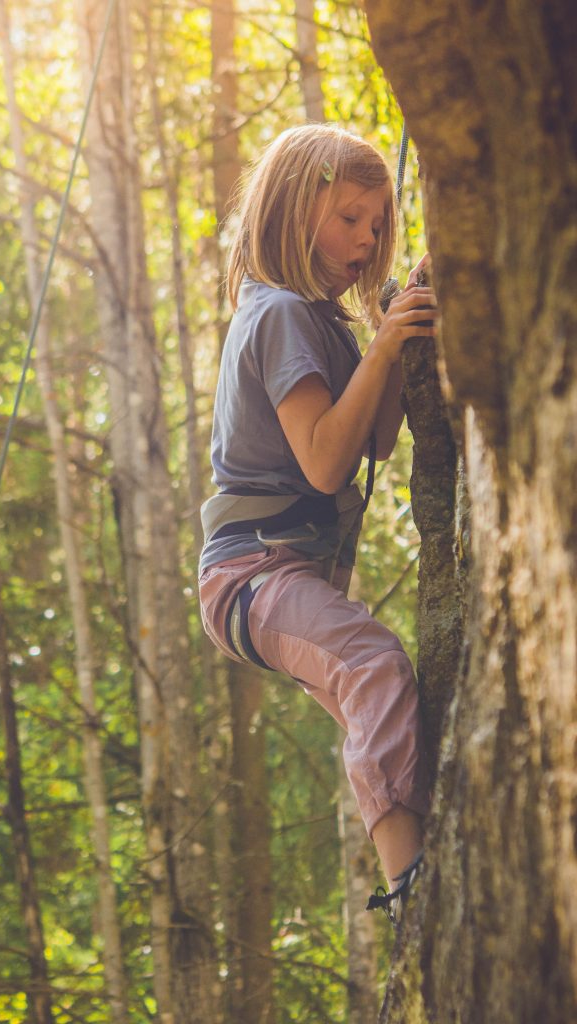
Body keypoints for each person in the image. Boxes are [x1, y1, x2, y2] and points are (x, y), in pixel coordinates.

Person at [198, 123, 435, 916]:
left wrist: (396, 339)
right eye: (350, 219)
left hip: (278, 574)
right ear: (298, 210)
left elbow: (374, 437)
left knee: (385, 701)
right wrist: (382, 350)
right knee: (374, 664)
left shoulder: (320, 322)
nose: (367, 238)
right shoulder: (280, 317)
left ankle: (418, 847)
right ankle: (410, 886)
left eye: (377, 224)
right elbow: (326, 463)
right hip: (251, 574)